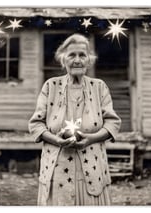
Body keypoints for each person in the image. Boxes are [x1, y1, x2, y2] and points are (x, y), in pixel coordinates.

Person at [28, 34, 121, 206]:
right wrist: (57, 140)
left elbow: (112, 122)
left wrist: (90, 138)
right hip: (57, 168)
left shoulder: (99, 87)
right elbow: (36, 124)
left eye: (82, 55)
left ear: (89, 60)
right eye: (72, 55)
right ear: (63, 59)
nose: (77, 60)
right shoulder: (51, 86)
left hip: (92, 167)